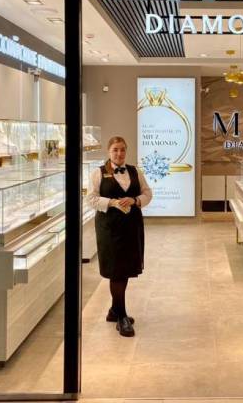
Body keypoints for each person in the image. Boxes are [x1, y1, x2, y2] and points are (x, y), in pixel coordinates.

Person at [86, 136, 152, 337]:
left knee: (125, 268)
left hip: (131, 227)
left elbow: (147, 194)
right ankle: (122, 316)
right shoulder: (98, 173)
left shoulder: (135, 171)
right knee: (117, 271)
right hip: (109, 229)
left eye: (122, 149)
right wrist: (112, 203)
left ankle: (114, 311)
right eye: (115, 149)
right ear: (109, 151)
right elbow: (90, 199)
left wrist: (134, 200)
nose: (119, 153)